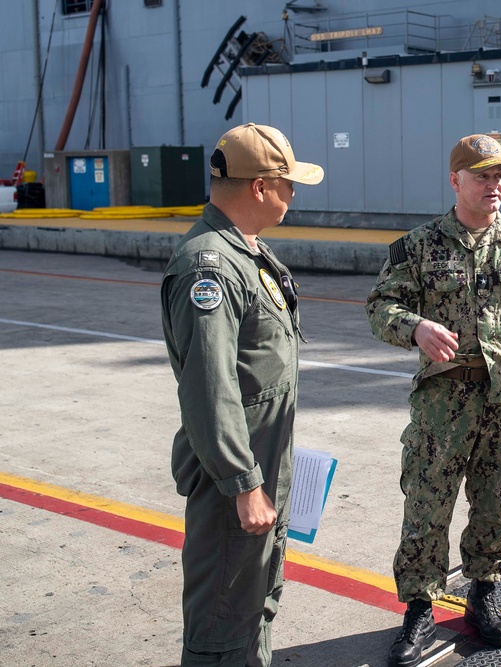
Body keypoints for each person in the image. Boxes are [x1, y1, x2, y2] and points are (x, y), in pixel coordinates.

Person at [366, 134, 501, 667]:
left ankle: (482, 597)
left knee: (494, 506)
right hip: (443, 403)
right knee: (427, 507)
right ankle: (419, 608)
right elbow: (381, 306)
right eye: (482, 176)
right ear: (455, 181)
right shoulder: (418, 246)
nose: (494, 186)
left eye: (499, 176)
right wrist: (415, 327)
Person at [160, 122, 324, 667]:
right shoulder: (210, 267)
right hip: (237, 481)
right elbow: (211, 389)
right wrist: (244, 483)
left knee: (255, 604)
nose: (293, 193)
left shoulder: (247, 252)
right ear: (259, 187)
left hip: (260, 465)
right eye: (289, 183)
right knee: (222, 623)